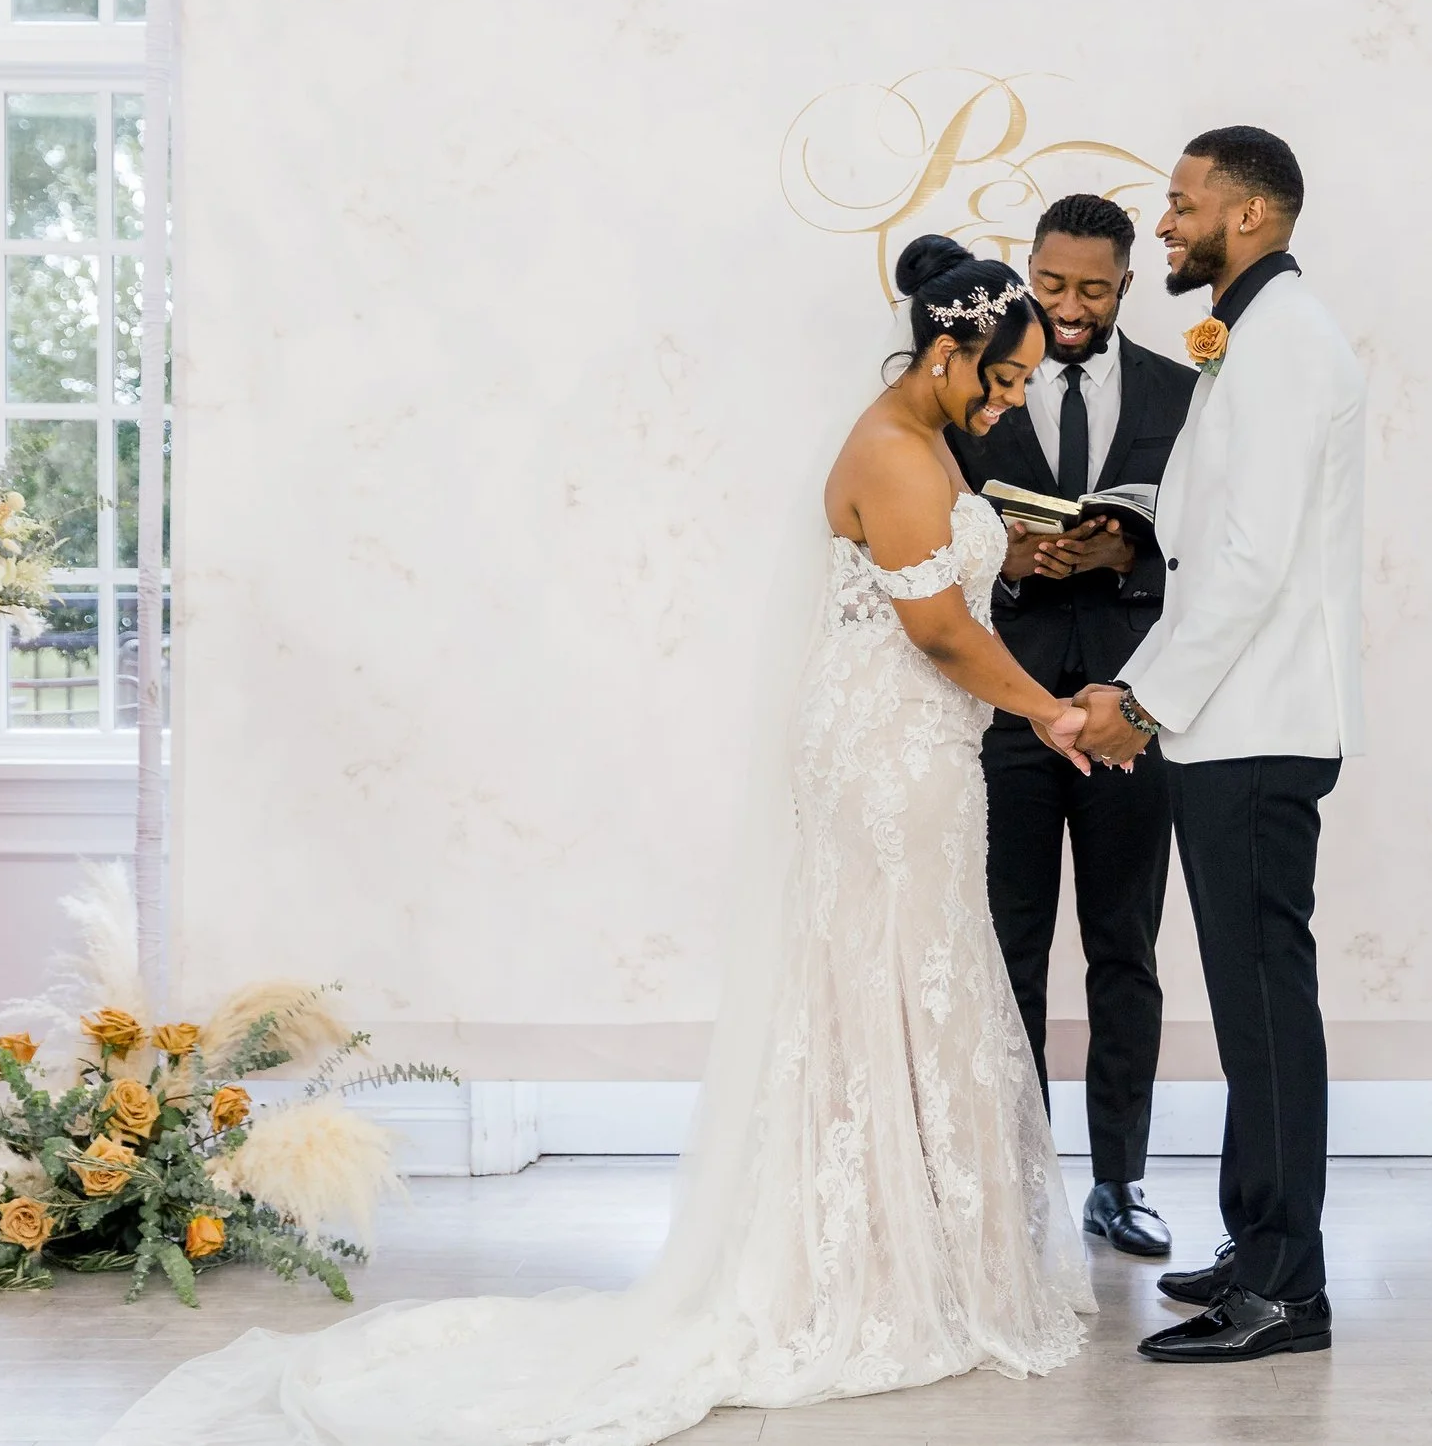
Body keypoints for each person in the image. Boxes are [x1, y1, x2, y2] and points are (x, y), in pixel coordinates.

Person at [104, 240, 1097, 1443]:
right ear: (948, 350)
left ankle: (917, 1254)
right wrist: (1047, 707)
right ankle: (862, 1266)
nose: (1008, 402)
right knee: (880, 979)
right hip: (885, 747)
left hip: (921, 744)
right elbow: (937, 631)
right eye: (1000, 379)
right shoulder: (891, 450)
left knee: (913, 981)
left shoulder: (932, 435)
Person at [1074, 127, 1365, 1364]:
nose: (1168, 224)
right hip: (1229, 722)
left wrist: (1140, 699)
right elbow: (1217, 529)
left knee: (1263, 1007)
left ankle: (1290, 1291)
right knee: (1250, 1002)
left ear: (1249, 216)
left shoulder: (1287, 342)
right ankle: (1255, 1240)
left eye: (1184, 206)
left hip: (1254, 723)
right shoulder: (1247, 334)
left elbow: (1247, 561)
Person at [945, 194, 1198, 1260]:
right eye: (1052, 284)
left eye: (1092, 288)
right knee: (1008, 944)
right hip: (1010, 697)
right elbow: (933, 518)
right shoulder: (974, 388)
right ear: (1028, 274)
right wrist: (1005, 552)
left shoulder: (1184, 392)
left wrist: (1126, 550)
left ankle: (1121, 1179)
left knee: (1123, 947)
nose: (1070, 304)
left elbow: (1208, 534)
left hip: (1130, 706)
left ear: (1126, 285)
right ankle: (1013, 1178)